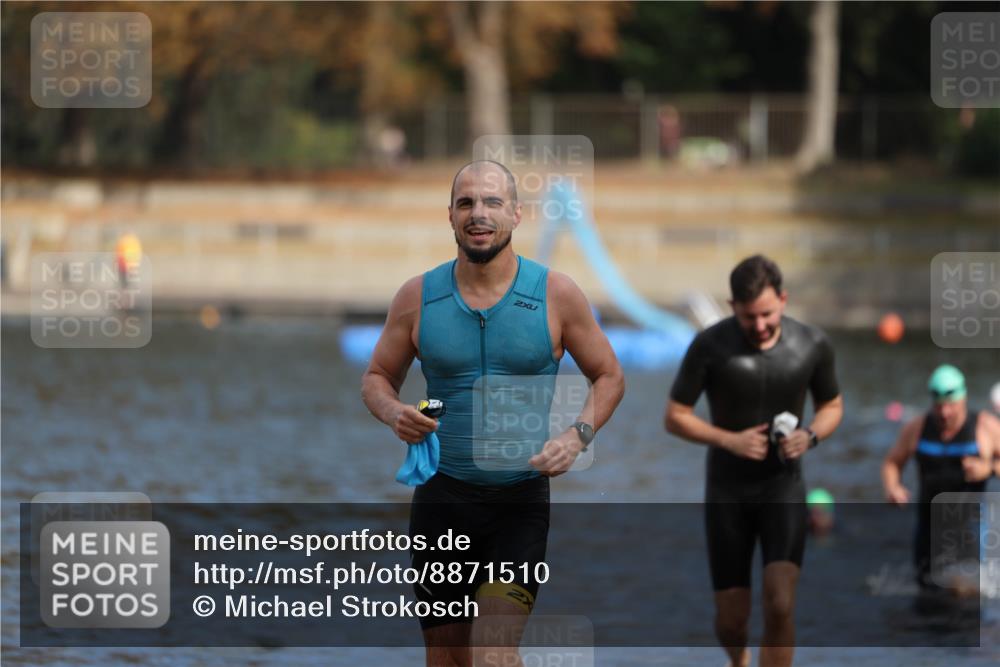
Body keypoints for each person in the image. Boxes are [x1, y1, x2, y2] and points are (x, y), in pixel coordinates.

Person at [361, 160, 625, 667]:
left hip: (518, 504)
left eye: (492, 202)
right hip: (442, 501)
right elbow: (376, 377)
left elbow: (609, 375)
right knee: (446, 659)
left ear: (516, 214)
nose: (478, 214)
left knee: (493, 653)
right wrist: (394, 413)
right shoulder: (418, 297)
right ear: (450, 215)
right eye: (465, 203)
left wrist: (577, 436)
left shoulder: (556, 294)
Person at [664, 255, 843, 667]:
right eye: (749, 317)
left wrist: (811, 435)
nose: (760, 325)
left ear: (783, 299)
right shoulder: (710, 346)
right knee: (732, 620)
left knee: (780, 602)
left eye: (767, 314)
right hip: (728, 490)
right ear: (732, 307)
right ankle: (739, 661)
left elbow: (832, 406)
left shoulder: (812, 344)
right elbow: (675, 416)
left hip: (783, 486)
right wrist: (729, 440)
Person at [881, 364, 1000, 588]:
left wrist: (989, 469)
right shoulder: (916, 427)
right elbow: (892, 462)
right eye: (939, 406)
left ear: (964, 398)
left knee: (964, 596)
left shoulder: (986, 427)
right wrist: (892, 486)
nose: (945, 413)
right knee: (925, 595)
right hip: (927, 529)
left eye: (951, 405)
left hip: (970, 531)